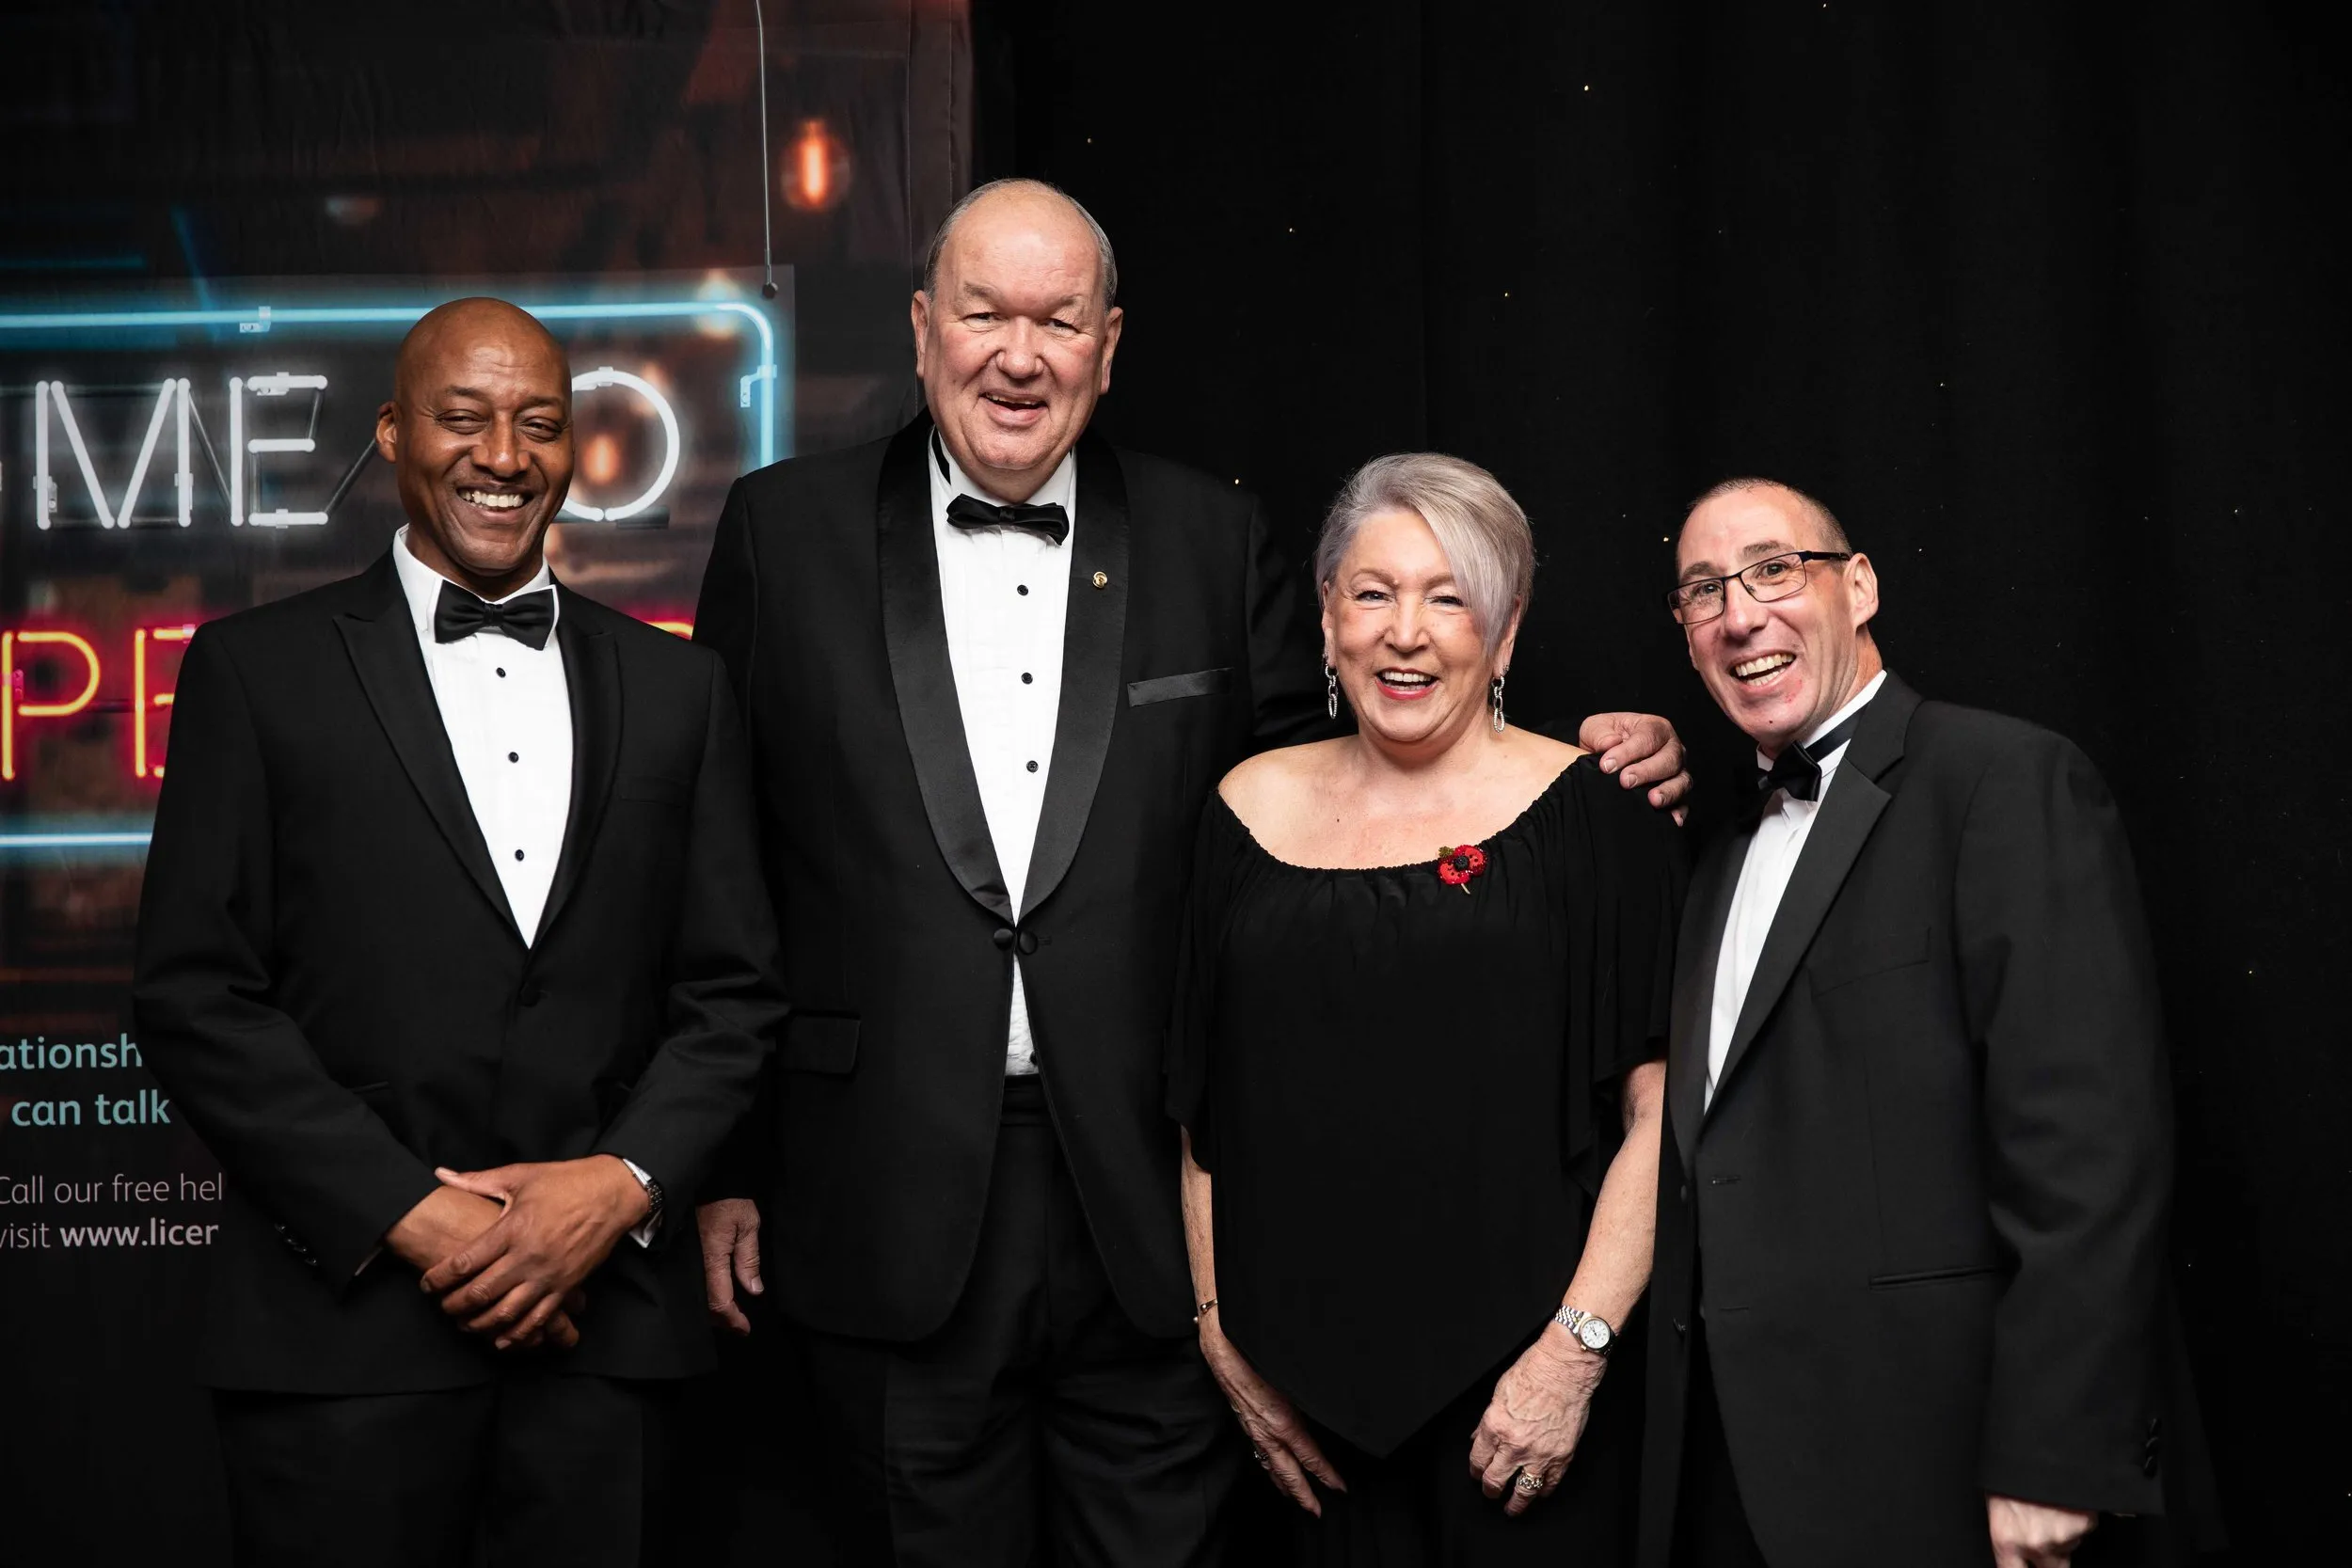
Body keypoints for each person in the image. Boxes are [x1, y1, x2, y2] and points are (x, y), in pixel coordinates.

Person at [689, 178, 1692, 1566]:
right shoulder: (779, 533)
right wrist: (725, 1157)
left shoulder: (1208, 537)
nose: (1019, 354)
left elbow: (1338, 795)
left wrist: (1591, 760)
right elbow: (719, 850)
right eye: (984, 313)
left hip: (1158, 1200)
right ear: (923, 329)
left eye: (1059, 320)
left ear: (1110, 343)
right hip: (878, 1187)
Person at [131, 298, 787, 1568]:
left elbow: (736, 992)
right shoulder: (253, 671)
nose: (504, 453)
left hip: (611, 1343)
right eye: (463, 417)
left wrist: (619, 1186)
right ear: (391, 434)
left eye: (539, 423)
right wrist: (414, 1214)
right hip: (342, 1341)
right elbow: (194, 994)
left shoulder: (681, 692)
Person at [1639, 479, 2207, 1568]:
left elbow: (2090, 1151)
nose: (1739, 613)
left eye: (1771, 569)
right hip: (1738, 1480)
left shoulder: (2001, 778)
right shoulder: (1713, 852)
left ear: (1857, 585)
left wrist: (2057, 1449)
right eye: (1703, 589)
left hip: (1950, 1469)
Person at [1168, 453, 1683, 1566]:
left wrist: (1570, 1357)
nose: (1406, 632)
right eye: (1372, 591)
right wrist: (1223, 1339)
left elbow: (1661, 1120)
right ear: (1325, 618)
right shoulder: (1239, 809)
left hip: (1526, 1413)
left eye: (1450, 597)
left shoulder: (1601, 812)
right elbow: (1201, 1118)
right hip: (1295, 1424)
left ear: (1501, 637)